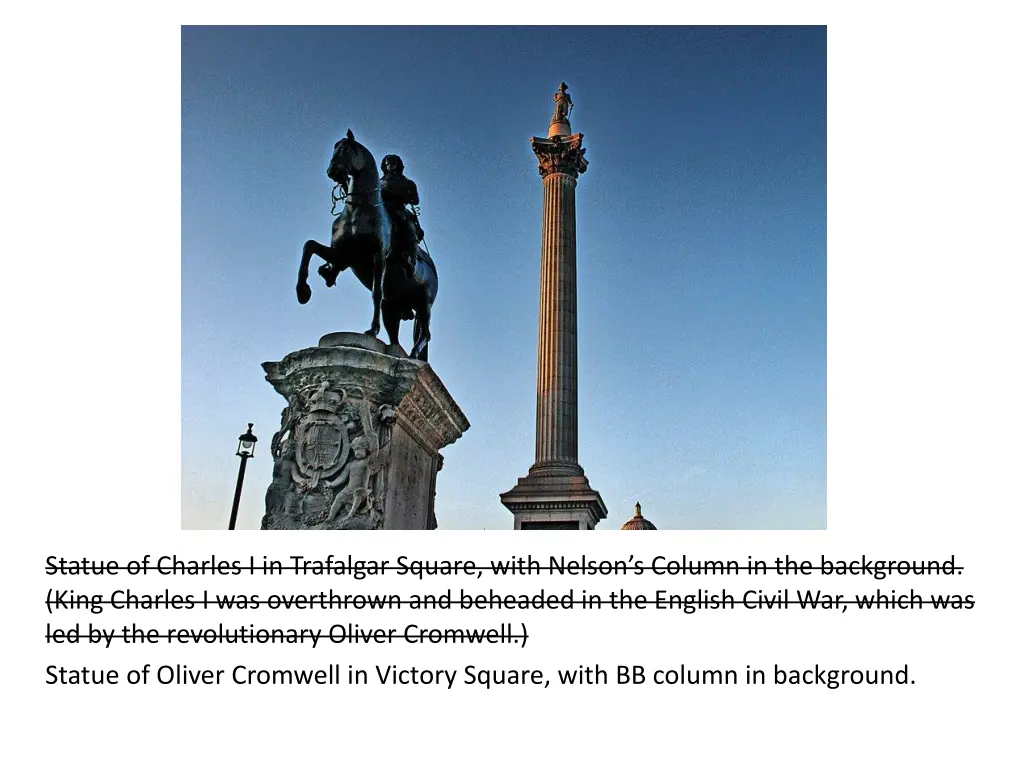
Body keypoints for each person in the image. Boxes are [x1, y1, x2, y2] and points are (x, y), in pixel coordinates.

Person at [380, 154, 424, 276]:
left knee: (408, 228)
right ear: (385, 166)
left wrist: (401, 196)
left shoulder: (408, 183)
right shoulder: (379, 182)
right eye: (388, 163)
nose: (390, 165)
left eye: (393, 162)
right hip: (381, 208)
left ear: (398, 165)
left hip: (398, 209)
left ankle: (411, 259)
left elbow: (415, 200)